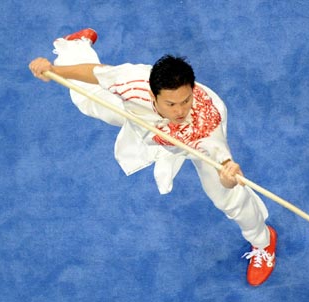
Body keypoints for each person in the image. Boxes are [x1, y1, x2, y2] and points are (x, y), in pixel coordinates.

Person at [29, 28, 277, 286]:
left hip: (192, 141)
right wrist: (54, 71)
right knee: (88, 102)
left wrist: (228, 177)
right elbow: (95, 72)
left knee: (228, 198)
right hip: (143, 118)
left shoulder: (206, 124)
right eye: (171, 104)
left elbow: (225, 174)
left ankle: (264, 241)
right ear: (153, 95)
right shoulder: (132, 82)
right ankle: (77, 45)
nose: (180, 110)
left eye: (186, 100)